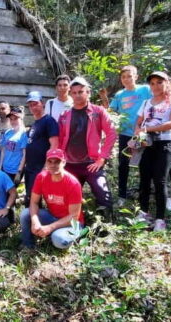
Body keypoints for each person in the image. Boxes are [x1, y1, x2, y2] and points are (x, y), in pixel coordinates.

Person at [58, 77, 117, 219]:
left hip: (91, 163)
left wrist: (102, 159)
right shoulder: (65, 115)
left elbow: (111, 133)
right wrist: (61, 160)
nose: (78, 95)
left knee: (103, 195)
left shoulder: (98, 111)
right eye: (74, 92)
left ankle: (105, 229)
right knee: (67, 198)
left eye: (81, 92)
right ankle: (74, 226)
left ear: (88, 92)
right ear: (70, 94)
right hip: (70, 165)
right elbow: (60, 139)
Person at [134, 71, 171, 231]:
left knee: (160, 181)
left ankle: (160, 219)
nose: (155, 86)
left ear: (167, 83)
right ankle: (143, 213)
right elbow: (138, 122)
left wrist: (149, 129)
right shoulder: (146, 102)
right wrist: (138, 133)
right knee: (144, 179)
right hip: (146, 145)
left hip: (164, 144)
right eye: (153, 83)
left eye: (159, 82)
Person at [100, 66, 152, 205]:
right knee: (123, 165)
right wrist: (104, 99)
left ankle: (144, 196)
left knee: (145, 165)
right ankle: (122, 196)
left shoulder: (145, 90)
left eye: (129, 76)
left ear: (136, 76)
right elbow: (109, 112)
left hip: (143, 133)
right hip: (125, 134)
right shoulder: (119, 95)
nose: (127, 79)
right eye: (123, 77)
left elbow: (154, 105)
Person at [20, 149, 84, 249]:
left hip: (74, 224)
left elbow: (74, 217)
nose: (53, 165)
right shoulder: (41, 177)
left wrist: (50, 227)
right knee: (25, 214)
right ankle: (28, 246)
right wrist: (35, 221)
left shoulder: (73, 183)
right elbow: (34, 202)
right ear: (46, 162)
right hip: (53, 217)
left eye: (57, 161)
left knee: (58, 239)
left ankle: (68, 236)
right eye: (50, 161)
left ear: (63, 162)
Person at [24, 91, 59, 204]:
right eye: (30, 105)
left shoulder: (49, 121)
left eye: (35, 104)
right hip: (30, 168)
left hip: (40, 169)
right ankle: (32, 221)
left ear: (42, 103)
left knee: (37, 199)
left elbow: (54, 145)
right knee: (31, 199)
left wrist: (46, 167)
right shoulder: (35, 124)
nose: (33, 107)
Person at [0, 106, 28, 185]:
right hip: (5, 169)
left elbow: (24, 155)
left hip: (15, 171)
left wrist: (19, 172)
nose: (13, 121)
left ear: (21, 119)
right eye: (11, 119)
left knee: (11, 193)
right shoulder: (8, 132)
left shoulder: (23, 134)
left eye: (15, 119)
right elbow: (3, 151)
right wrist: (0, 168)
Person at [0, 101, 11, 169]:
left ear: (9, 110)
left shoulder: (13, 122)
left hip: (9, 156)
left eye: (3, 108)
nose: (0, 111)